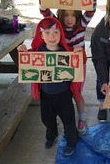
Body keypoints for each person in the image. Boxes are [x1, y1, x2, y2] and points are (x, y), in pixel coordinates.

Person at [33, 0, 100, 135]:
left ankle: (81, 118)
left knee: (77, 93)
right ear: (61, 15)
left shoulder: (81, 26)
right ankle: (60, 119)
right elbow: (44, 10)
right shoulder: (56, 25)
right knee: (62, 95)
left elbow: (90, 10)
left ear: (78, 16)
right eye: (66, 15)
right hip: (58, 65)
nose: (70, 19)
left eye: (73, 15)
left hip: (78, 65)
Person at [17, 17, 82, 156]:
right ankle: (51, 136)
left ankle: (72, 141)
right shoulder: (36, 51)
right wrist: (22, 51)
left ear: (61, 34)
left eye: (55, 32)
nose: (51, 36)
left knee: (68, 120)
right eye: (47, 33)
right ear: (41, 35)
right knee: (47, 118)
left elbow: (79, 62)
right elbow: (26, 63)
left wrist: (78, 52)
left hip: (64, 94)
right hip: (46, 94)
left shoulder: (67, 52)